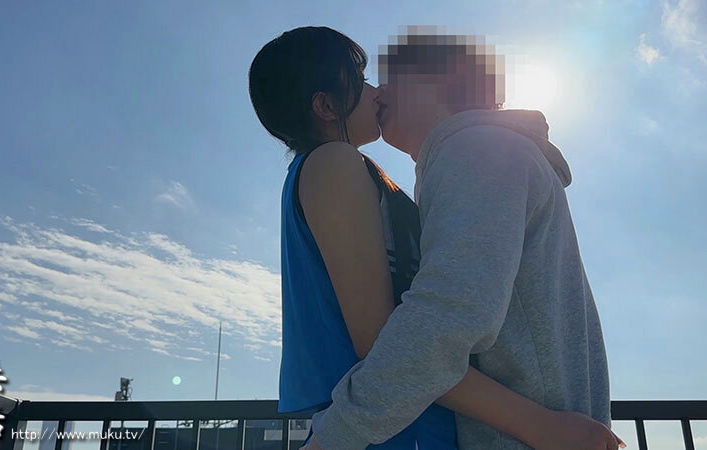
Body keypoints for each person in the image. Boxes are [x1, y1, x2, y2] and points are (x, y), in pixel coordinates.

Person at [249, 26, 624, 450]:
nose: (378, 92)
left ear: (440, 84)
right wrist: (541, 425)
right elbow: (413, 327)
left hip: (429, 427)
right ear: (325, 105)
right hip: (410, 426)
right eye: (363, 80)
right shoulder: (350, 163)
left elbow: (443, 317)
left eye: (390, 79)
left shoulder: (475, 152)